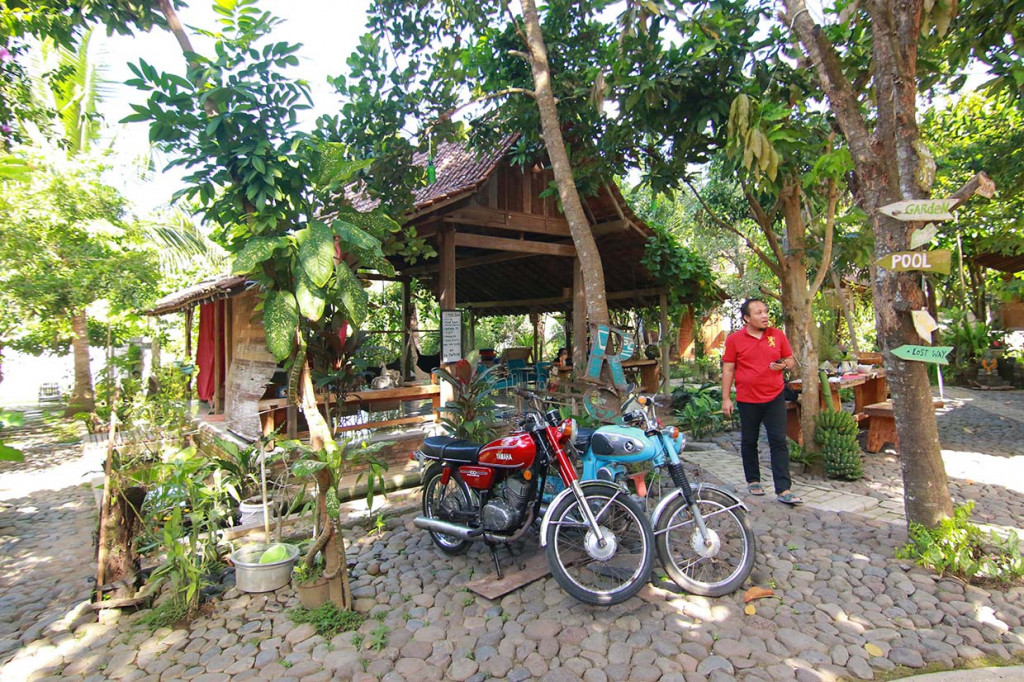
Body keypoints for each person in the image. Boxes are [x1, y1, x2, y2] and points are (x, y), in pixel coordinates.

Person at [721, 299, 803, 505]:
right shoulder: (734, 340)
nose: (765, 316)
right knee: (749, 440)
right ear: (747, 318)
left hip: (774, 396)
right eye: (758, 313)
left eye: (765, 311)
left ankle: (783, 489)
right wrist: (726, 398)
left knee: (779, 441)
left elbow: (790, 360)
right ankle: (753, 480)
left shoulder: (777, 335)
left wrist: (784, 365)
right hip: (747, 398)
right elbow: (728, 369)